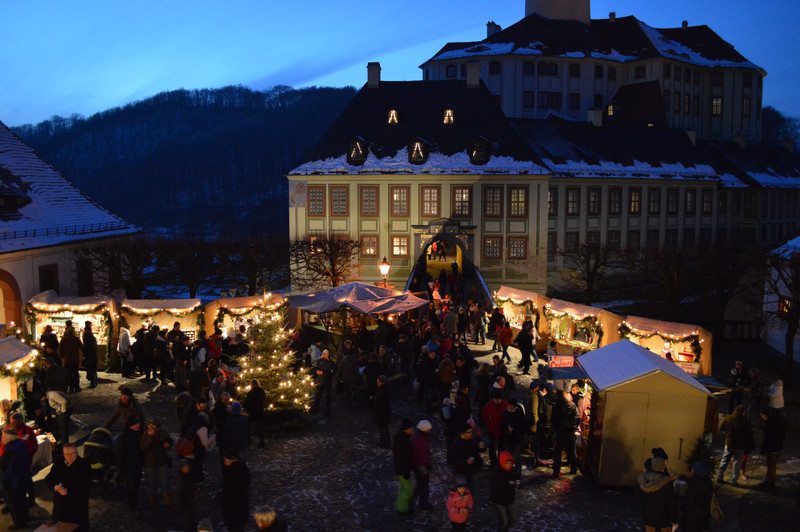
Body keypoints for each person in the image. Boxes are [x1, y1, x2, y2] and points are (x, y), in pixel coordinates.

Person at [45, 442, 92, 531]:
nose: (70, 457)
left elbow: (86, 487)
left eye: (73, 454)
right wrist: (55, 487)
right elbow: (49, 478)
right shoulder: (59, 462)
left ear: (77, 452)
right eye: (67, 454)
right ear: (63, 454)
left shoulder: (84, 465)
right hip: (60, 506)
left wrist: (69, 491)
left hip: (77, 506)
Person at [1, 427, 33, 530]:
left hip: (12, 483)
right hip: (22, 478)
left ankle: (19, 524)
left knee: (14, 504)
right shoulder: (21, 444)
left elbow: (5, 470)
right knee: (22, 500)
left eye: (3, 438)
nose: (2, 440)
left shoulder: (10, 451)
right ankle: (26, 518)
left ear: (9, 439)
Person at [140, 417, 174, 510]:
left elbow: (170, 441)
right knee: (152, 484)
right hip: (149, 463)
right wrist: (151, 436)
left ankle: (169, 504)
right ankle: (154, 505)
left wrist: (168, 445)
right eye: (149, 425)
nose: (151, 427)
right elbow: (144, 448)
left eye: (153, 425)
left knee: (165, 483)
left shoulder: (163, 433)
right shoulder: (145, 435)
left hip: (161, 462)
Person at [636, 456, 678, 532]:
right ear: (663, 467)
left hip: (648, 517)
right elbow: (671, 504)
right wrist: (674, 520)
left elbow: (639, 496)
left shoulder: (644, 480)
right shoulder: (667, 485)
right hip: (663, 519)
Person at [716, 404, 754, 486]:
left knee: (725, 460)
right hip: (740, 446)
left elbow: (721, 428)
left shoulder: (728, 418)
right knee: (737, 463)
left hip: (729, 443)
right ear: (743, 412)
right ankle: (734, 481)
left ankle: (719, 477)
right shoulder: (745, 422)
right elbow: (749, 434)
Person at [447, 423, 485, 495]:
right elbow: (453, 459)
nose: (471, 434)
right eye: (469, 432)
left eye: (472, 431)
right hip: (461, 471)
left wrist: (482, 447)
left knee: (474, 490)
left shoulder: (475, 438)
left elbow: (480, 449)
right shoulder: (456, 443)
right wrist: (465, 462)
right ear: (463, 433)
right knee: (462, 492)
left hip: (473, 469)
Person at [217, 453, 251, 532]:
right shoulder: (243, 469)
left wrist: (220, 496)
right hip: (242, 506)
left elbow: (229, 492)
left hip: (232, 510)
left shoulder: (230, 473)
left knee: (234, 527)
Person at [551, 389, 579, 478]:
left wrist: (555, 429)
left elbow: (553, 419)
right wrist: (574, 427)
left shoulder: (556, 406)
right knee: (572, 450)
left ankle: (556, 471)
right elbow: (577, 417)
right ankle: (574, 468)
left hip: (560, 431)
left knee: (558, 451)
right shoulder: (571, 405)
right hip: (570, 431)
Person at [490, 450, 520, 532]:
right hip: (499, 501)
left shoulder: (513, 470)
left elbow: (518, 478)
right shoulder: (497, 472)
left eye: (511, 463)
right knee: (503, 521)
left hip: (510, 499)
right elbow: (494, 488)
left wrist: (519, 483)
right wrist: (507, 484)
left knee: (512, 519)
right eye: (507, 463)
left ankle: (506, 529)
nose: (509, 465)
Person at [759, 407, 787, 489]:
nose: (761, 417)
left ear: (764, 415)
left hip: (772, 448)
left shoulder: (769, 424)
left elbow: (767, 438)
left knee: (771, 465)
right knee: (772, 464)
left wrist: (763, 449)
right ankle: (769, 480)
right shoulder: (777, 423)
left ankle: (770, 482)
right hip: (778, 447)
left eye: (761, 415)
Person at [392, 417, 415, 515]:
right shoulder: (403, 441)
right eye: (411, 428)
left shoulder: (401, 438)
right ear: (406, 428)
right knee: (408, 489)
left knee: (403, 488)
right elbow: (403, 458)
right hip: (403, 469)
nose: (412, 430)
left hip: (400, 468)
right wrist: (406, 471)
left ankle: (400, 505)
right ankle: (402, 508)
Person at [681, 461, 712, 532]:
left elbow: (690, 503)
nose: (691, 470)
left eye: (693, 469)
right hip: (704, 515)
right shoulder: (707, 481)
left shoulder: (694, 486)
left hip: (693, 518)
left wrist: (683, 508)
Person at [482, 388, 509, 467]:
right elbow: (484, 415)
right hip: (492, 429)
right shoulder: (489, 405)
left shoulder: (505, 405)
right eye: (495, 399)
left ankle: (501, 462)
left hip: (501, 430)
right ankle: (493, 463)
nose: (497, 401)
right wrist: (488, 424)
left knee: (501, 447)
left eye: (498, 399)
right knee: (492, 446)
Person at [411, 419, 433, 511]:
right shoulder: (418, 440)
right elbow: (415, 454)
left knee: (422, 485)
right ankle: (422, 503)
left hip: (424, 465)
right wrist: (420, 465)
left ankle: (416, 500)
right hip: (420, 466)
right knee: (423, 486)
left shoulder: (420, 438)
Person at [310, 349, 336, 416]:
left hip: (327, 381)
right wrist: (316, 371)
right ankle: (315, 409)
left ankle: (327, 411)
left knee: (328, 397)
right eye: (324, 353)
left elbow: (332, 373)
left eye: (326, 354)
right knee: (318, 396)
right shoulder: (319, 361)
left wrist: (323, 373)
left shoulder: (331, 363)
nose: (324, 355)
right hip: (320, 381)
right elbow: (315, 368)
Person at [58, 321, 83, 393]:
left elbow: (60, 350)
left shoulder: (64, 340)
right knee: (75, 373)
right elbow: (81, 347)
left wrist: (62, 356)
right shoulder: (76, 339)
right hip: (75, 359)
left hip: (67, 359)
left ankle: (68, 387)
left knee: (68, 374)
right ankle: (76, 387)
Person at [244, 379, 267, 448]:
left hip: (252, 412)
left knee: (248, 428)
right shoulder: (262, 392)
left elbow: (247, 403)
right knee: (260, 428)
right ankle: (262, 442)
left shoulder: (251, 392)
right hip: (259, 412)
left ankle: (248, 443)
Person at [373, 375, 392, 448]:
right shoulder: (384, 390)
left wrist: (380, 416)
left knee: (383, 429)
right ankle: (387, 441)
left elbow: (382, 405)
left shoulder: (382, 392)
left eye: (378, 382)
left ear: (382, 382)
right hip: (384, 414)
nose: (377, 383)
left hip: (382, 415)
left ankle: (385, 443)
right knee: (385, 428)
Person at [81, 321, 98, 388]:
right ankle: (94, 382)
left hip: (90, 354)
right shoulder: (89, 333)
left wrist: (84, 351)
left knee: (91, 368)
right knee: (93, 368)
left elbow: (86, 345)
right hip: (92, 354)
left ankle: (93, 382)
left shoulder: (86, 333)